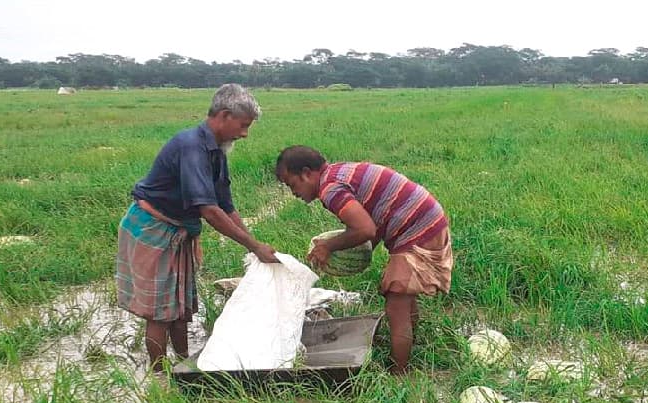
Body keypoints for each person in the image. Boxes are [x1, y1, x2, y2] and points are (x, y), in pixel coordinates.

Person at [117, 83, 279, 371]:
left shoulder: (216, 151)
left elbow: (226, 205)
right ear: (224, 115)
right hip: (154, 227)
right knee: (160, 313)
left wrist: (255, 245)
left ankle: (183, 366)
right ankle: (159, 375)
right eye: (243, 126)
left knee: (180, 308)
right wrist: (253, 246)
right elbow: (210, 211)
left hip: (179, 229)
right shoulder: (191, 146)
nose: (244, 133)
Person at [275, 146, 453, 375]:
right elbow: (374, 217)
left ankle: (400, 373)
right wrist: (363, 253)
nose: (293, 193)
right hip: (425, 221)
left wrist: (328, 247)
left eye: (292, 185)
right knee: (403, 297)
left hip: (417, 229)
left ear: (307, 173)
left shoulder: (330, 190)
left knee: (395, 303)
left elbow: (365, 229)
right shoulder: (338, 173)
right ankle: (410, 346)